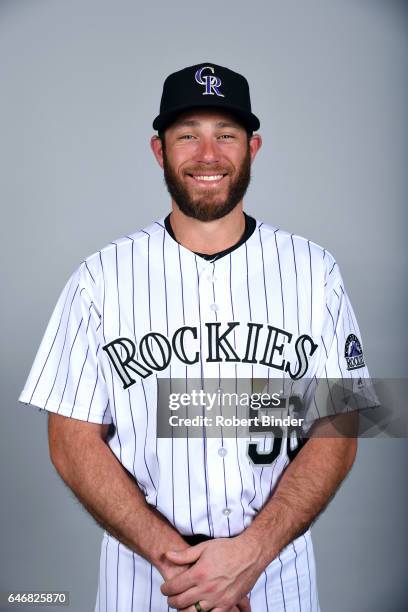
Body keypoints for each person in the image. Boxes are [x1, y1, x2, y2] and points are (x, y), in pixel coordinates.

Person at [19, 62, 376, 612]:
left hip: (275, 583)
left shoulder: (314, 272)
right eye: (187, 135)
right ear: (159, 150)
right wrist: (178, 565)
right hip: (146, 586)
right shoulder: (100, 280)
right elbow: (70, 441)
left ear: (253, 148)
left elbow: (341, 423)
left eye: (225, 135)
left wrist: (251, 555)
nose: (207, 155)